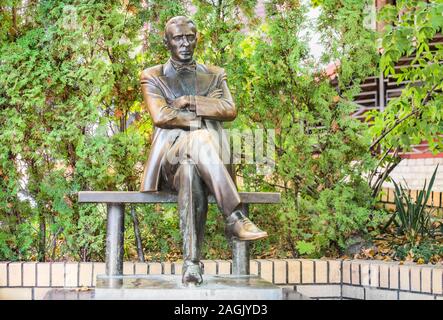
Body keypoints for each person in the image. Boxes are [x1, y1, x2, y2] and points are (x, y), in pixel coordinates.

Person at [139, 16, 267, 286]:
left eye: (189, 37)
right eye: (177, 38)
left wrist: (189, 101)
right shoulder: (152, 76)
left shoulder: (215, 74)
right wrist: (204, 114)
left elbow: (229, 109)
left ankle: (192, 265)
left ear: (197, 39)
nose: (184, 43)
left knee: (191, 170)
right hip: (169, 161)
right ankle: (234, 216)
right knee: (199, 139)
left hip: (205, 167)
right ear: (167, 42)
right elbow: (161, 115)